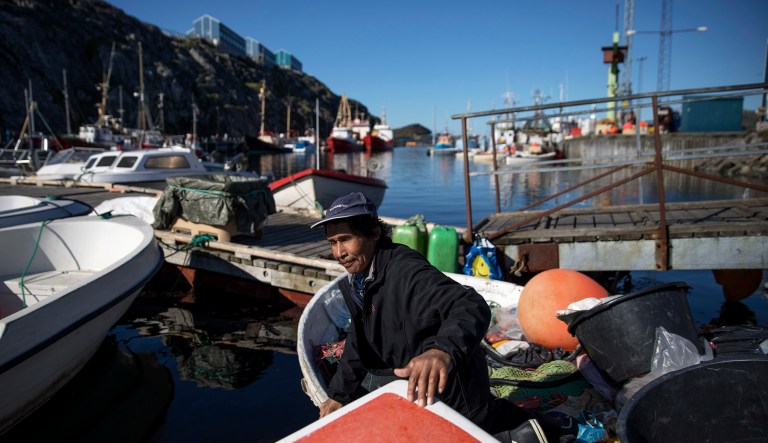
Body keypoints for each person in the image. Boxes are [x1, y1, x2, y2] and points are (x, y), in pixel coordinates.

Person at [311, 192, 564, 442]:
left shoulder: (406, 271)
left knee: (479, 427)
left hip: (454, 392)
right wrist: (339, 394)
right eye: (332, 242)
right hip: (417, 382)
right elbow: (359, 337)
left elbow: (471, 304)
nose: (339, 252)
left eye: (346, 239)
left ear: (373, 233)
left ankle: (544, 429)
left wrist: (441, 351)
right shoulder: (360, 279)